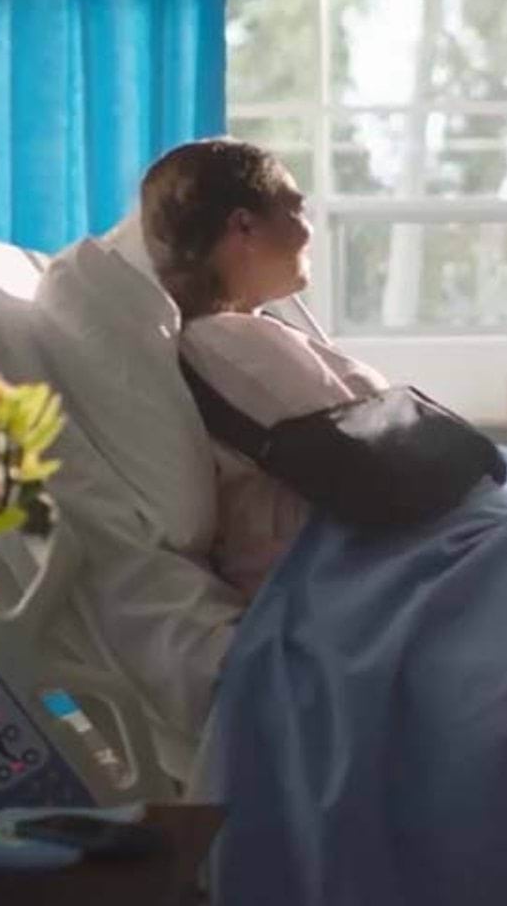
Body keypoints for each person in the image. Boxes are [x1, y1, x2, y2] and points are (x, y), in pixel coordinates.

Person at [139, 137, 390, 596]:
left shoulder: (238, 336)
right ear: (244, 227)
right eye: (294, 210)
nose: (308, 231)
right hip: (342, 569)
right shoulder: (227, 342)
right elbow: (381, 445)